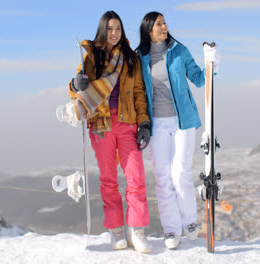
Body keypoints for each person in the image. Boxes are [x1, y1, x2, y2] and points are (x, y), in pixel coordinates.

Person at [68, 10, 151, 253]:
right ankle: (116, 229)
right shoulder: (92, 57)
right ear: (103, 30)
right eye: (110, 29)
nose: (114, 34)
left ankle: (136, 229)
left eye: (118, 29)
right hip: (101, 125)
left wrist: (144, 123)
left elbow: (138, 93)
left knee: (136, 177)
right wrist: (76, 84)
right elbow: (75, 87)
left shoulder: (130, 59)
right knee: (108, 180)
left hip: (127, 122)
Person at [136, 11, 219, 249]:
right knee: (163, 178)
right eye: (159, 23)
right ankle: (171, 230)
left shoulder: (179, 51)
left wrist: (212, 62)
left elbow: (200, 79)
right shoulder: (139, 57)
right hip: (157, 124)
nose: (164, 26)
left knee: (180, 172)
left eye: (165, 23)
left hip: (182, 120)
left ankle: (190, 222)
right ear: (148, 29)